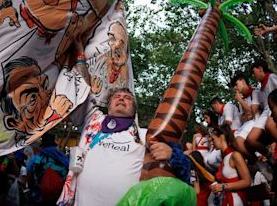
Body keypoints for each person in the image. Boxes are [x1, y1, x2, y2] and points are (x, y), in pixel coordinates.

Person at [58, 88, 190, 206]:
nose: (121, 98)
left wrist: (172, 154)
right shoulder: (92, 121)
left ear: (134, 110)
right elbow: (79, 89)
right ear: (108, 106)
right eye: (117, 96)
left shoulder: (145, 135)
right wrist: (80, 61)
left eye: (127, 98)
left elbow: (183, 172)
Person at [246, 60, 277, 168]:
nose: (254, 76)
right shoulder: (261, 88)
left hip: (275, 108)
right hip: (266, 113)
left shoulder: (271, 77)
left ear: (260, 69)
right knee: (251, 139)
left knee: (270, 125)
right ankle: (270, 156)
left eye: (254, 72)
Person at [208, 124, 251, 206]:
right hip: (227, 200)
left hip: (236, 201)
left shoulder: (235, 155)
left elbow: (247, 181)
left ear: (222, 137)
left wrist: (223, 186)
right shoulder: (224, 158)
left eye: (213, 139)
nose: (211, 142)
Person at [26, 132, 69, 205]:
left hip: (38, 198)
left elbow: (29, 178)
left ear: (43, 145)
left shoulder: (36, 158)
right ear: (54, 144)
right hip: (58, 198)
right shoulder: (63, 158)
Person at [230, 73, 262, 157]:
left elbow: (252, 114)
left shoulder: (255, 92)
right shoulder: (242, 100)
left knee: (239, 141)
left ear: (243, 82)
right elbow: (243, 118)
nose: (235, 88)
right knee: (232, 141)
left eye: (236, 84)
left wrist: (240, 100)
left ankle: (257, 160)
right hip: (247, 125)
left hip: (257, 123)